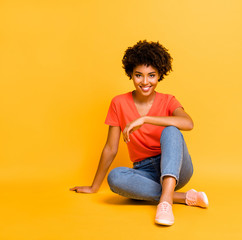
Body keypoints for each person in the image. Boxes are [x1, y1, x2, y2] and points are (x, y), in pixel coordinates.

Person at [70, 40, 208, 226]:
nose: (145, 82)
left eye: (151, 75)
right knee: (115, 177)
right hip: (145, 172)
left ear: (160, 74)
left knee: (171, 131)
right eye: (138, 75)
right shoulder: (118, 103)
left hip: (177, 169)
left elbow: (188, 123)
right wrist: (94, 187)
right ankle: (183, 197)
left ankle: (166, 203)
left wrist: (145, 119)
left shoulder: (168, 101)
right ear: (131, 75)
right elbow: (111, 148)